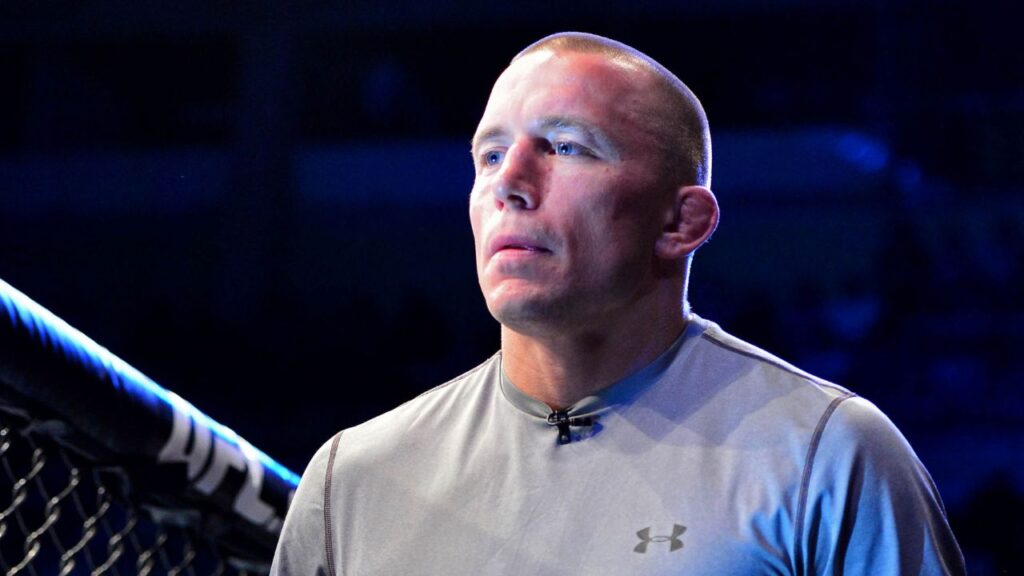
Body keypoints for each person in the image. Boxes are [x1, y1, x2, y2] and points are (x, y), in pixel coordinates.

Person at [270, 32, 965, 575]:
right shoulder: (351, 481)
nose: (508, 183)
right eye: (489, 156)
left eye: (567, 148)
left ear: (681, 223)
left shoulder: (828, 458)